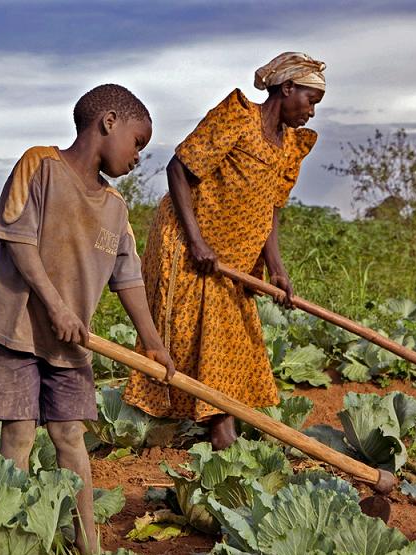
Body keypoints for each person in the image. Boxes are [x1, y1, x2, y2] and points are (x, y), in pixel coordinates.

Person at [0, 84, 175, 555]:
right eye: (137, 142)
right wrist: (56, 306)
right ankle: (13, 541)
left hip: (70, 345)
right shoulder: (40, 165)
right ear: (108, 122)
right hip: (17, 330)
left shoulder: (116, 208)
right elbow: (18, 240)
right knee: (19, 435)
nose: (137, 158)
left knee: (70, 436)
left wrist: (151, 342)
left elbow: (128, 280)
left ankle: (88, 544)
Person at [124, 52, 326, 450]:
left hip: (235, 260)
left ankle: (214, 421)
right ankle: (213, 426)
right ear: (287, 89)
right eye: (310, 100)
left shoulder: (289, 147)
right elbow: (178, 169)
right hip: (187, 243)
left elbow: (269, 209)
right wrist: (197, 241)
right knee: (190, 331)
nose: (311, 112)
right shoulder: (237, 117)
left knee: (233, 336)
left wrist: (276, 268)